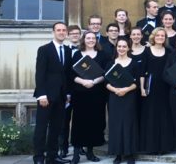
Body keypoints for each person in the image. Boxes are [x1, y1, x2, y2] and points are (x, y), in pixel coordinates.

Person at [33, 22, 72, 164]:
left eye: (64, 30)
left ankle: (52, 156)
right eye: (59, 30)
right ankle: (38, 157)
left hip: (61, 97)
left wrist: (68, 94)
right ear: (53, 32)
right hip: (46, 96)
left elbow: (67, 74)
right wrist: (41, 95)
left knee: (56, 128)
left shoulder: (67, 50)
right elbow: (40, 73)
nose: (61, 32)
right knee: (41, 128)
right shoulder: (44, 49)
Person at [69, 31, 109, 164]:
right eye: (88, 38)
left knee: (94, 123)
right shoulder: (76, 54)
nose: (91, 40)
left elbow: (106, 74)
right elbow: (71, 74)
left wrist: (94, 82)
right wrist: (83, 82)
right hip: (80, 93)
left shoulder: (102, 55)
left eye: (93, 38)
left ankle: (90, 152)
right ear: (83, 40)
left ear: (96, 40)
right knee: (79, 123)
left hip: (97, 93)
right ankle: (76, 154)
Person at [139, 28, 174, 154]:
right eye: (158, 35)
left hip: (165, 87)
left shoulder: (169, 51)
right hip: (150, 87)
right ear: (153, 37)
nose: (160, 37)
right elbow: (142, 72)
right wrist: (142, 88)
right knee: (151, 116)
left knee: (164, 116)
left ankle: (163, 147)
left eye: (163, 35)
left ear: (165, 38)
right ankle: (151, 147)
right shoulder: (147, 51)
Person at [105, 38, 139, 164]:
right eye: (119, 46)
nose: (121, 49)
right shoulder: (110, 64)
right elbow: (106, 82)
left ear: (128, 48)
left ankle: (130, 154)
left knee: (129, 124)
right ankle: (118, 154)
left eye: (124, 46)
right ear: (116, 48)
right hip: (115, 98)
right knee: (116, 125)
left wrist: (126, 89)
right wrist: (115, 90)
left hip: (129, 97)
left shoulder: (134, 63)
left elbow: (136, 83)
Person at [59, 25, 82, 159]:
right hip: (66, 91)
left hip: (80, 90)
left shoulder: (84, 51)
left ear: (80, 35)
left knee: (79, 121)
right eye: (72, 33)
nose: (74, 35)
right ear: (68, 35)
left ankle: (80, 148)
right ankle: (63, 148)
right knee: (64, 121)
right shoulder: (64, 50)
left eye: (77, 33)